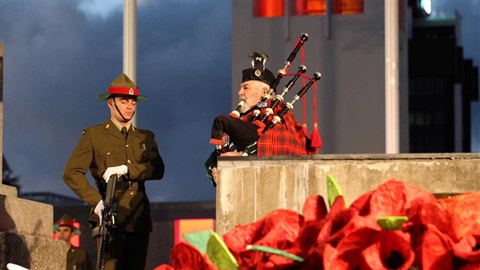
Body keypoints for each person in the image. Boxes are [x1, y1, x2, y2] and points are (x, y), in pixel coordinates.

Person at [63, 73, 165, 270]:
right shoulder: (94, 135)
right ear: (110, 103)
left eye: (133, 102)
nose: (129, 106)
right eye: (124, 101)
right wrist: (96, 202)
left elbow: (158, 169)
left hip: (138, 216)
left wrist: (128, 169)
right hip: (109, 215)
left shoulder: (145, 137)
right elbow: (71, 172)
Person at [205, 52, 316, 186]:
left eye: (245, 88)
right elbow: (217, 153)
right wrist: (215, 169)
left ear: (264, 92)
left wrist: (242, 157)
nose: (240, 93)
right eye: (240, 88)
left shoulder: (279, 113)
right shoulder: (240, 117)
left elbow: (284, 147)